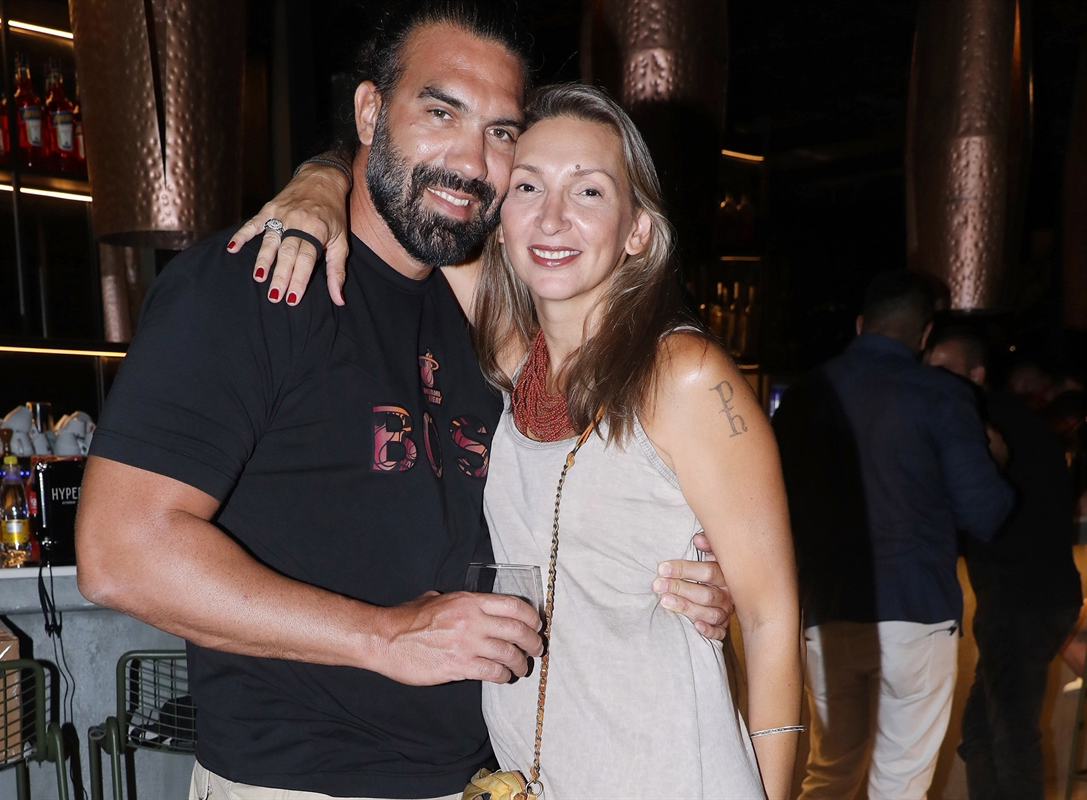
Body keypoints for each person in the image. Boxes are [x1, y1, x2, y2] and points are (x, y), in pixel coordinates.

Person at [76, 3, 734, 799]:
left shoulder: (485, 316)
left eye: (500, 133)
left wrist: (674, 574)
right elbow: (119, 552)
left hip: (480, 775)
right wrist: (383, 636)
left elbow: (558, 506)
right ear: (369, 113)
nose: (470, 161)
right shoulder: (254, 285)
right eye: (440, 112)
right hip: (299, 784)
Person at [475, 83, 800, 799]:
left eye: (588, 191)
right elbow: (399, 198)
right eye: (528, 186)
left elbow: (771, 617)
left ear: (638, 231)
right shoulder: (513, 360)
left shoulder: (684, 376)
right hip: (535, 776)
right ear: (498, 219)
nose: (551, 216)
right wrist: (316, 186)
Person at [772, 271, 1015, 800]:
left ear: (861, 325)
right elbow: (985, 513)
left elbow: (772, 507)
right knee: (900, 784)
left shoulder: (806, 395)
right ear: (924, 334)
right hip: (916, 610)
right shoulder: (943, 396)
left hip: (828, 612)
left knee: (830, 772)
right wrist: (996, 456)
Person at [925, 326, 1082, 800]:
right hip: (1036, 598)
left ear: (976, 374)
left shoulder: (979, 422)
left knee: (1010, 738)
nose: (932, 379)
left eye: (945, 370)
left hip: (1020, 600)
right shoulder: (1012, 417)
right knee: (983, 734)